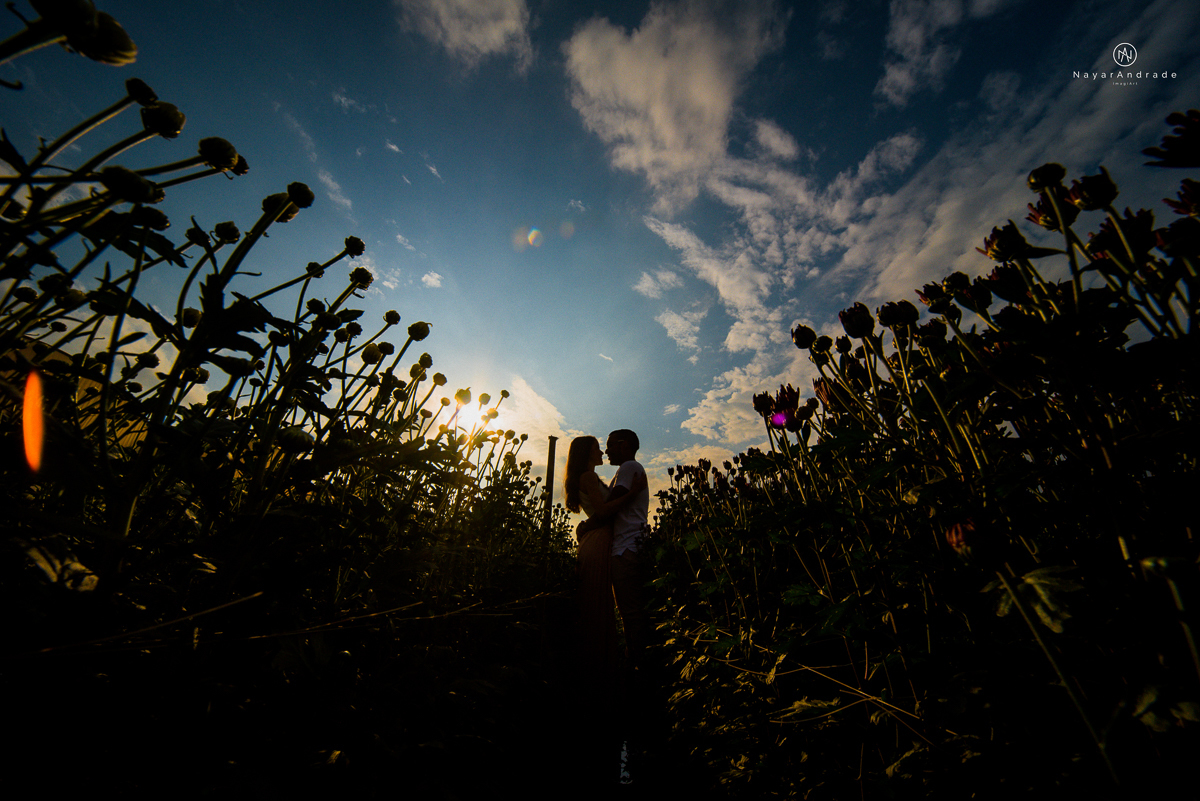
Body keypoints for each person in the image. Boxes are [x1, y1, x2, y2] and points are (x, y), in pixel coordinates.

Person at [575, 429, 650, 669]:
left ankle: (637, 666)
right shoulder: (624, 471)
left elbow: (608, 508)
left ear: (623, 445)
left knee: (630, 613)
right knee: (630, 612)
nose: (605, 451)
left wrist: (588, 525)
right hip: (625, 547)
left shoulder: (629, 468)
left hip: (626, 548)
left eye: (608, 445)